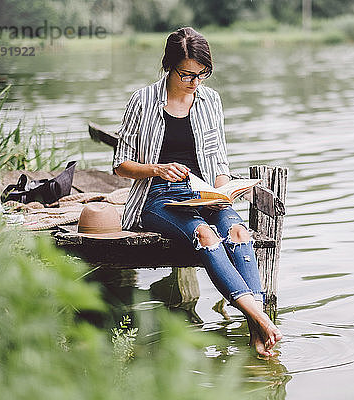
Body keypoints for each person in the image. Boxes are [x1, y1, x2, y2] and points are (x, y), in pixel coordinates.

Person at [112, 27, 282, 357]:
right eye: (187, 75)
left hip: (203, 191)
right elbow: (120, 165)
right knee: (205, 236)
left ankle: (256, 333)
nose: (195, 83)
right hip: (159, 196)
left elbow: (218, 160)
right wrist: (157, 168)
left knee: (238, 231)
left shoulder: (210, 100)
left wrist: (225, 191)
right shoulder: (143, 100)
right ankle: (261, 319)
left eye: (202, 75)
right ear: (168, 66)